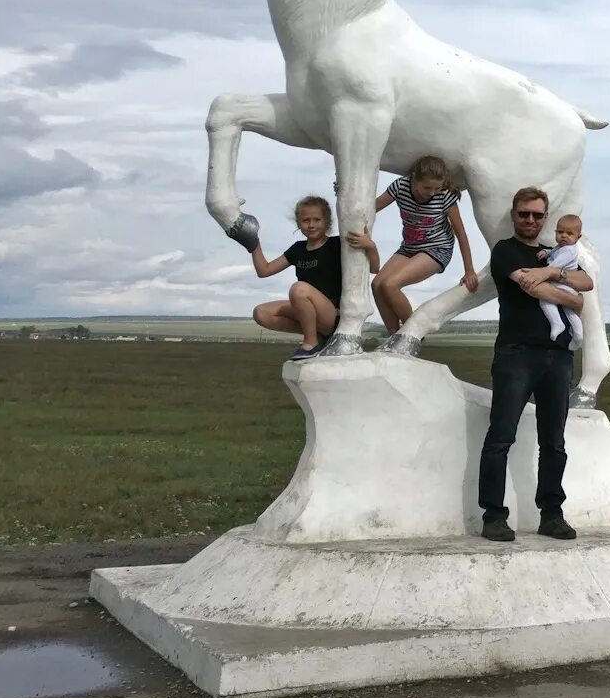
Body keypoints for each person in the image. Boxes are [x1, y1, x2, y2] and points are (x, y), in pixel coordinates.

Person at [479, 186, 592, 542]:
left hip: (558, 356)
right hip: (516, 354)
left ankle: (552, 515)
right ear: (514, 215)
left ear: (545, 217)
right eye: (524, 213)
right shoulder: (505, 251)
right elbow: (533, 289)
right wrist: (566, 295)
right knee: (501, 436)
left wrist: (550, 273)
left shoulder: (558, 253)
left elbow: (587, 282)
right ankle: (493, 516)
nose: (531, 220)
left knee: (554, 441)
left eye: (538, 215)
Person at [249, 195, 377, 359]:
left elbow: (374, 268)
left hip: (333, 314)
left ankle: (311, 344)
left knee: (299, 289)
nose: (311, 225)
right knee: (261, 313)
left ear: (327, 222)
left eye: (317, 220)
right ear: (298, 223)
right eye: (306, 220)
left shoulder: (337, 244)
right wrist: (253, 243)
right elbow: (264, 270)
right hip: (308, 309)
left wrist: (370, 246)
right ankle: (317, 336)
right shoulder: (297, 249)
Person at [370, 156, 477, 335]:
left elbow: (461, 234)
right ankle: (393, 337)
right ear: (414, 179)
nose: (432, 192)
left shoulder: (445, 196)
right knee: (377, 284)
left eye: (437, 188)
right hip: (409, 246)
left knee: (390, 284)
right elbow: (372, 207)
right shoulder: (400, 187)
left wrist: (469, 270)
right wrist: (346, 193)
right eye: (426, 187)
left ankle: (412, 335)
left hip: (437, 248)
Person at [534, 214, 587, 347]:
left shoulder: (569, 251)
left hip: (560, 284)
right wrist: (546, 252)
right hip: (570, 289)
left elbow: (554, 267)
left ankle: (556, 322)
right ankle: (578, 334)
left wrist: (542, 272)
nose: (564, 236)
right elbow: (554, 251)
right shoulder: (563, 247)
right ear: (556, 232)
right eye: (560, 232)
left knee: (545, 299)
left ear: (578, 237)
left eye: (569, 233)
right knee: (570, 311)